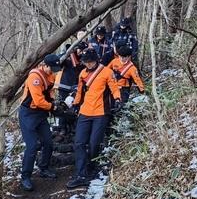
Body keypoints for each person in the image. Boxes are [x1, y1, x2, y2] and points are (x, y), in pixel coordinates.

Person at [68, 49, 121, 188]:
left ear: (96, 60)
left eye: (91, 62)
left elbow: (114, 87)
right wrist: (75, 104)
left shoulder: (107, 72)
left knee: (94, 143)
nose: (89, 65)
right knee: (79, 143)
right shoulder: (83, 73)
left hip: (100, 113)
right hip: (85, 112)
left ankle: (91, 167)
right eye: (86, 62)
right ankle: (80, 173)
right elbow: (80, 91)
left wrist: (117, 99)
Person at [18, 54, 64, 191]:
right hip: (28, 114)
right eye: (52, 68)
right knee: (32, 146)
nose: (54, 71)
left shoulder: (51, 75)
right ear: (45, 66)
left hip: (41, 114)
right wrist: (53, 107)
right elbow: (38, 100)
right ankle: (25, 177)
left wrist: (53, 102)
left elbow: (50, 91)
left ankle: (44, 168)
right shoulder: (34, 77)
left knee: (48, 142)